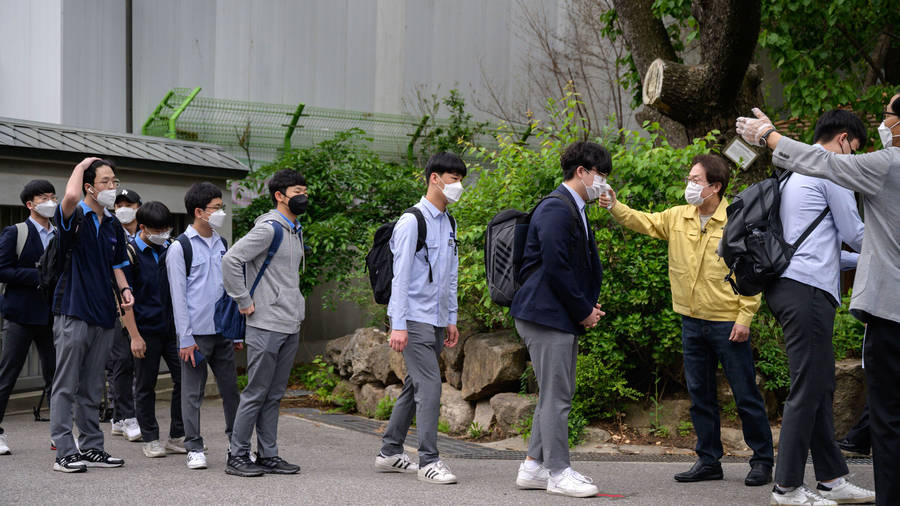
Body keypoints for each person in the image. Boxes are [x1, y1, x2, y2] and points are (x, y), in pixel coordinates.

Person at [737, 96, 900, 506]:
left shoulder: (794, 175)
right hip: (808, 290)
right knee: (809, 388)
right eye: (857, 148)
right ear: (844, 141)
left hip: (789, 285)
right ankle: (787, 486)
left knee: (820, 383)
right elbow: (858, 235)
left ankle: (830, 477)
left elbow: (830, 247)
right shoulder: (831, 175)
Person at [598, 154, 775, 487]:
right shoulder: (679, 216)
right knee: (700, 394)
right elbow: (643, 221)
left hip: (727, 323)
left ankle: (762, 461)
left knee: (745, 394)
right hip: (691, 321)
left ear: (715, 186)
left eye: (696, 180)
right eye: (690, 179)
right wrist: (613, 205)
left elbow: (752, 275)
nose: (689, 185)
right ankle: (709, 460)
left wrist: (745, 317)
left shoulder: (737, 220)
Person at [509, 141, 606, 498]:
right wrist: (583, 310)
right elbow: (556, 266)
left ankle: (534, 466)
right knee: (558, 397)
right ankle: (558, 471)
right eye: (601, 174)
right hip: (546, 315)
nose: (603, 182)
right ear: (582, 171)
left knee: (553, 393)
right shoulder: (557, 207)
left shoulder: (572, 207)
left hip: (553, 314)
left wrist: (584, 308)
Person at [375, 152, 464, 485]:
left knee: (414, 385)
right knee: (429, 387)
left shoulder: (449, 222)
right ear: (435, 178)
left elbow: (450, 275)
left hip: (438, 319)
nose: (458, 185)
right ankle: (429, 460)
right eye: (454, 178)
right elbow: (401, 276)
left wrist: (451, 317)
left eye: (460, 178)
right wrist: (397, 324)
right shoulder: (412, 221)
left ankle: (389, 452)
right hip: (412, 319)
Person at [222, 169, 307, 477]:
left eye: (305, 191)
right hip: (266, 322)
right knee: (257, 391)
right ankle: (237, 454)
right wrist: (243, 300)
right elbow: (231, 260)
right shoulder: (269, 229)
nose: (303, 196)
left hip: (289, 322)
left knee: (274, 393)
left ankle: (268, 455)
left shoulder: (294, 229)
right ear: (279, 196)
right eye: (297, 191)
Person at [50, 157, 133, 473]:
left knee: (92, 386)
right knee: (66, 384)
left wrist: (124, 291)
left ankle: (92, 447)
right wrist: (82, 163)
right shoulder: (75, 215)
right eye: (105, 181)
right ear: (89, 186)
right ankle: (64, 451)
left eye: (114, 181)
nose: (113, 187)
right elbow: (69, 197)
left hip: (103, 312)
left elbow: (116, 265)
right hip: (73, 309)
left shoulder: (112, 224)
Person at [166, 182, 241, 471]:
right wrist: (185, 338)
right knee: (192, 393)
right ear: (199, 211)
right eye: (216, 207)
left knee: (231, 390)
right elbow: (178, 296)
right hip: (195, 334)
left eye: (221, 206)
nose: (221, 211)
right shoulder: (179, 248)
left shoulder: (222, 243)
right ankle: (194, 446)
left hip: (222, 330)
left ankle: (237, 442)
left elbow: (229, 287)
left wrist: (235, 329)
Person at [120, 201, 187, 458]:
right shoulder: (130, 254)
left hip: (173, 329)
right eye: (157, 230)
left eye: (167, 229)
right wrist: (134, 336)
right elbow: (124, 300)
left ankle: (178, 435)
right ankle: (150, 437)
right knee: (145, 385)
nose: (163, 234)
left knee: (184, 380)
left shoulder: (172, 249)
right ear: (143, 227)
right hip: (145, 330)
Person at [0, 180, 58, 456]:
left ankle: (60, 434)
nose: (50, 201)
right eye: (43, 197)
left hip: (51, 316)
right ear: (29, 204)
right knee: (7, 374)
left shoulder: (59, 234)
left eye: (52, 196)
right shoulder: (16, 232)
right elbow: (3, 270)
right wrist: (38, 276)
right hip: (21, 315)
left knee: (56, 376)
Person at [107, 189, 143, 442]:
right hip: (115, 308)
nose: (123, 209)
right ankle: (124, 416)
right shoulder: (108, 231)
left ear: (139, 207)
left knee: (139, 363)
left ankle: (125, 415)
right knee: (122, 362)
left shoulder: (147, 233)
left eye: (128, 204)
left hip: (144, 308)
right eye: (118, 204)